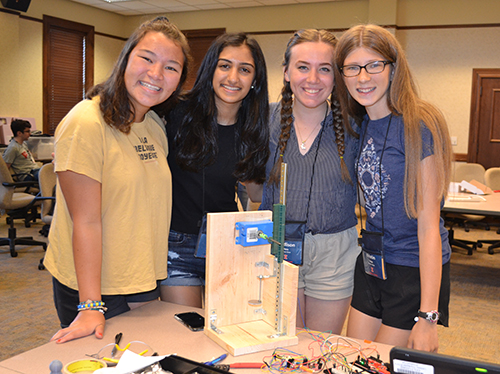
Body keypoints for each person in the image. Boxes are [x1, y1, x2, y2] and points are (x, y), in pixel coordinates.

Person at [44, 16, 191, 343]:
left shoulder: (154, 124)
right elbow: (86, 221)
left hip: (140, 281)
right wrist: (91, 305)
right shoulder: (86, 122)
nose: (156, 74)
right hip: (93, 288)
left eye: (171, 67)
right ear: (126, 59)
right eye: (147, 59)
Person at [334, 24, 452, 352]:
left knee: (379, 364)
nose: (363, 78)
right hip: (372, 262)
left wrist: (428, 317)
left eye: (374, 65)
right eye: (352, 68)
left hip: (413, 269)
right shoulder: (362, 123)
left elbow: (429, 226)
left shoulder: (420, 124)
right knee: (352, 358)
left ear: (393, 67)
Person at [158, 33, 270, 308]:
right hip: (176, 243)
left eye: (244, 70)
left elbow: (255, 194)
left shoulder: (255, 126)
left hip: (227, 243)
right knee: (187, 332)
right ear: (211, 69)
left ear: (255, 80)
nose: (233, 77)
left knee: (227, 328)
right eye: (224, 66)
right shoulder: (175, 112)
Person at [260, 29, 359, 334]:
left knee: (320, 349)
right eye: (303, 67)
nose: (313, 78)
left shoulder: (355, 126)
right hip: (276, 245)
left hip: (334, 252)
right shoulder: (263, 121)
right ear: (287, 72)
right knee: (281, 347)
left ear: (336, 77)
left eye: (325, 69)